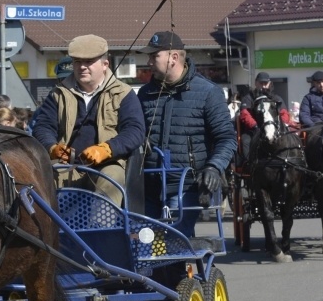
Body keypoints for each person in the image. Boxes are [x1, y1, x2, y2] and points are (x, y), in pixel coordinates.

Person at [137, 31, 236, 239]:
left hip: (186, 187)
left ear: (173, 58)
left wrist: (214, 167)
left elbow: (226, 138)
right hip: (149, 187)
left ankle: (181, 270)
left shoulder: (208, 92)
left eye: (154, 56)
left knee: (172, 241)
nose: (149, 62)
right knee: (144, 245)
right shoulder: (145, 94)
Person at [33, 34, 145, 206]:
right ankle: (54, 229)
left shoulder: (124, 93)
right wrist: (52, 147)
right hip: (66, 166)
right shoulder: (58, 93)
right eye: (77, 62)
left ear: (105, 64)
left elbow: (135, 131)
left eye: (89, 62)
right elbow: (42, 127)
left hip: (108, 165)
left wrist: (107, 149)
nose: (82, 67)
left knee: (111, 178)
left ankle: (100, 230)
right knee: (43, 178)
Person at [238, 72, 295, 162]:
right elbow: (245, 114)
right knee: (245, 140)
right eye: (261, 83)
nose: (264, 86)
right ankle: (249, 164)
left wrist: (278, 125)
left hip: (275, 129)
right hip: (254, 130)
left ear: (269, 84)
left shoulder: (277, 98)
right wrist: (255, 126)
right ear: (256, 83)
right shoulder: (248, 98)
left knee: (291, 138)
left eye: (266, 83)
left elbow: (284, 114)